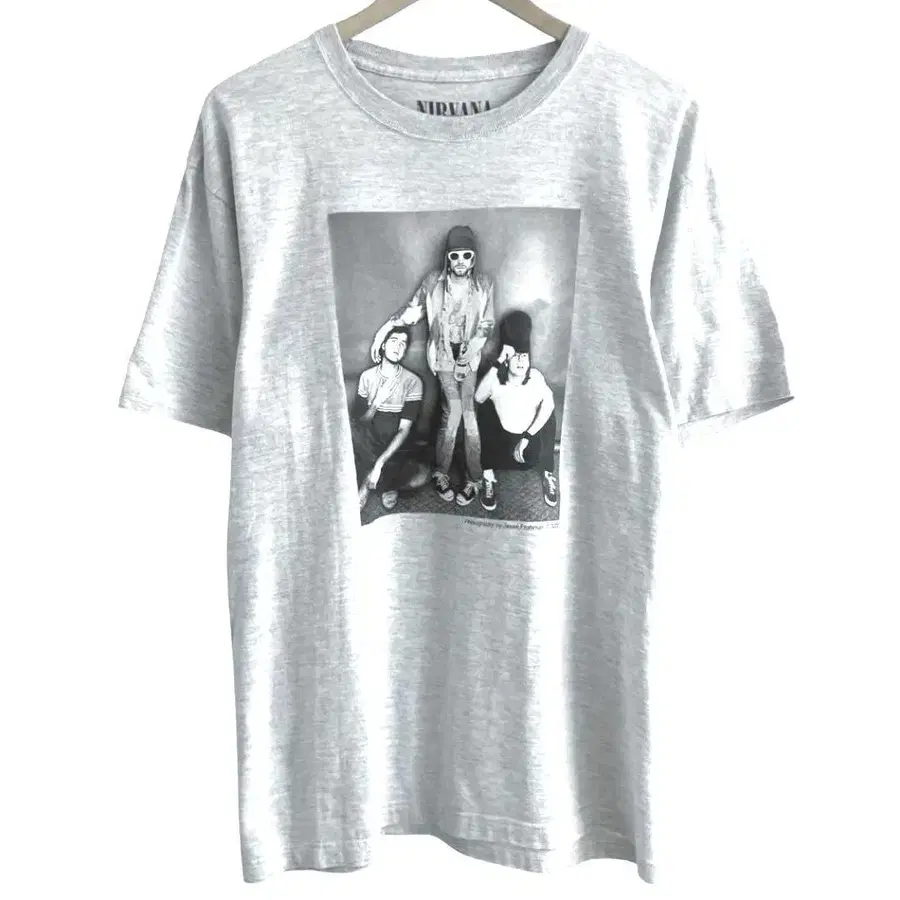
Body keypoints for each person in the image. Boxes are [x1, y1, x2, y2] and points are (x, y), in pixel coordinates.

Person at [370, 225, 495, 507]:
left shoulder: (484, 284)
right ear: (448, 257)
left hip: (470, 358)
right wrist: (383, 332)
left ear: (473, 258)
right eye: (455, 255)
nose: (460, 261)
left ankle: (474, 478)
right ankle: (441, 473)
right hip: (443, 358)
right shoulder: (433, 283)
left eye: (466, 255)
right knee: (454, 413)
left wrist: (472, 348)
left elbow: (487, 323)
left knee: (469, 417)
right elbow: (411, 313)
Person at [474, 310, 559, 511]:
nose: (521, 361)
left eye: (524, 357)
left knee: (548, 411)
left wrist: (528, 437)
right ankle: (488, 476)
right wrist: (498, 362)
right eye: (516, 357)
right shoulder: (495, 381)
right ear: (506, 359)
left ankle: (548, 473)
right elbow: (478, 397)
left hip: (528, 452)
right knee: (484, 408)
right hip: (501, 451)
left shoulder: (535, 378)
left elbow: (549, 405)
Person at [351, 326, 429, 512]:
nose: (398, 346)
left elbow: (404, 429)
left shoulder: (413, 381)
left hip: (395, 445)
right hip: (370, 442)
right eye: (394, 341)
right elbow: (360, 422)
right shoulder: (367, 377)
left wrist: (379, 464)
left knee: (422, 476)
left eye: (403, 344)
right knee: (352, 433)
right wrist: (376, 403)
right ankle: (385, 484)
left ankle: (373, 480)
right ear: (383, 345)